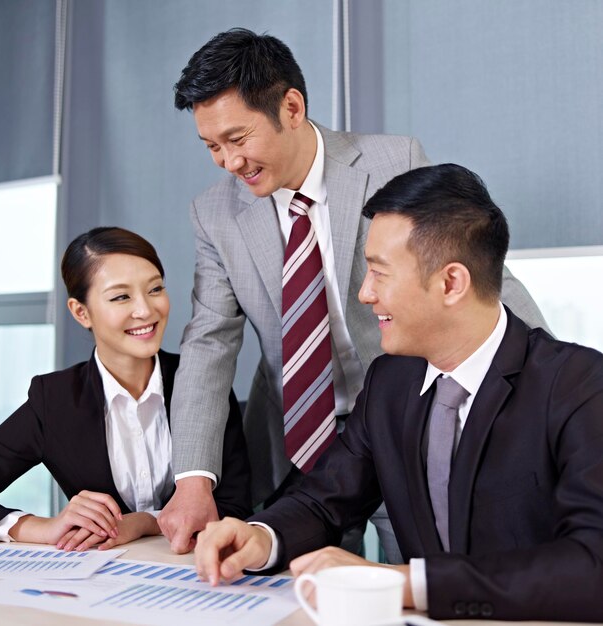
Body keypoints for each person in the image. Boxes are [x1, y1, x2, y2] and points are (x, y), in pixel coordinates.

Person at [159, 28, 549, 556]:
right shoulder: (215, 212)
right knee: (286, 578)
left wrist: (553, 389)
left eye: (238, 139)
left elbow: (477, 274)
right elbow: (209, 342)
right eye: (211, 146)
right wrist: (193, 479)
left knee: (413, 574)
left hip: (399, 419)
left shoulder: (392, 161)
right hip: (292, 439)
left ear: (291, 107)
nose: (228, 162)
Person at [193, 164, 603, 622]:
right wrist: (261, 537)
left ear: (451, 283)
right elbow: (324, 499)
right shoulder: (390, 382)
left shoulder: (580, 386)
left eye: (379, 272)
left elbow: (592, 565)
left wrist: (403, 582)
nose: (365, 294)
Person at [0, 227, 251, 549]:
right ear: (81, 312)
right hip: (99, 585)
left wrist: (144, 523)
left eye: (155, 289)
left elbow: (236, 507)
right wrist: (41, 527)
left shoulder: (202, 383)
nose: (146, 311)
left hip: (193, 575)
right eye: (121, 296)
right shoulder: (54, 400)